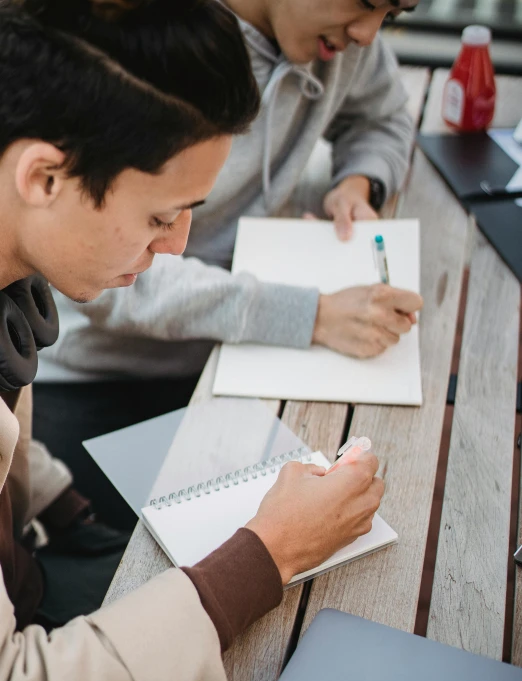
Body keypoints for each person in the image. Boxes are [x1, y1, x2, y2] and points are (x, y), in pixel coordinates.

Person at [0, 3, 384, 681]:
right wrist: (268, 554)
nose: (176, 247)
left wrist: (55, 503)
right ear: (43, 176)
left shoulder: (16, 269)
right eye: (161, 215)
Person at [33, 0, 424, 525]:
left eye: (392, 15)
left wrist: (360, 180)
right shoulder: (151, 43)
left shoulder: (339, 41)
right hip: (96, 376)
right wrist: (311, 315)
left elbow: (383, 114)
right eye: (367, 2)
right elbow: (106, 276)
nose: (369, 33)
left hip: (231, 351)